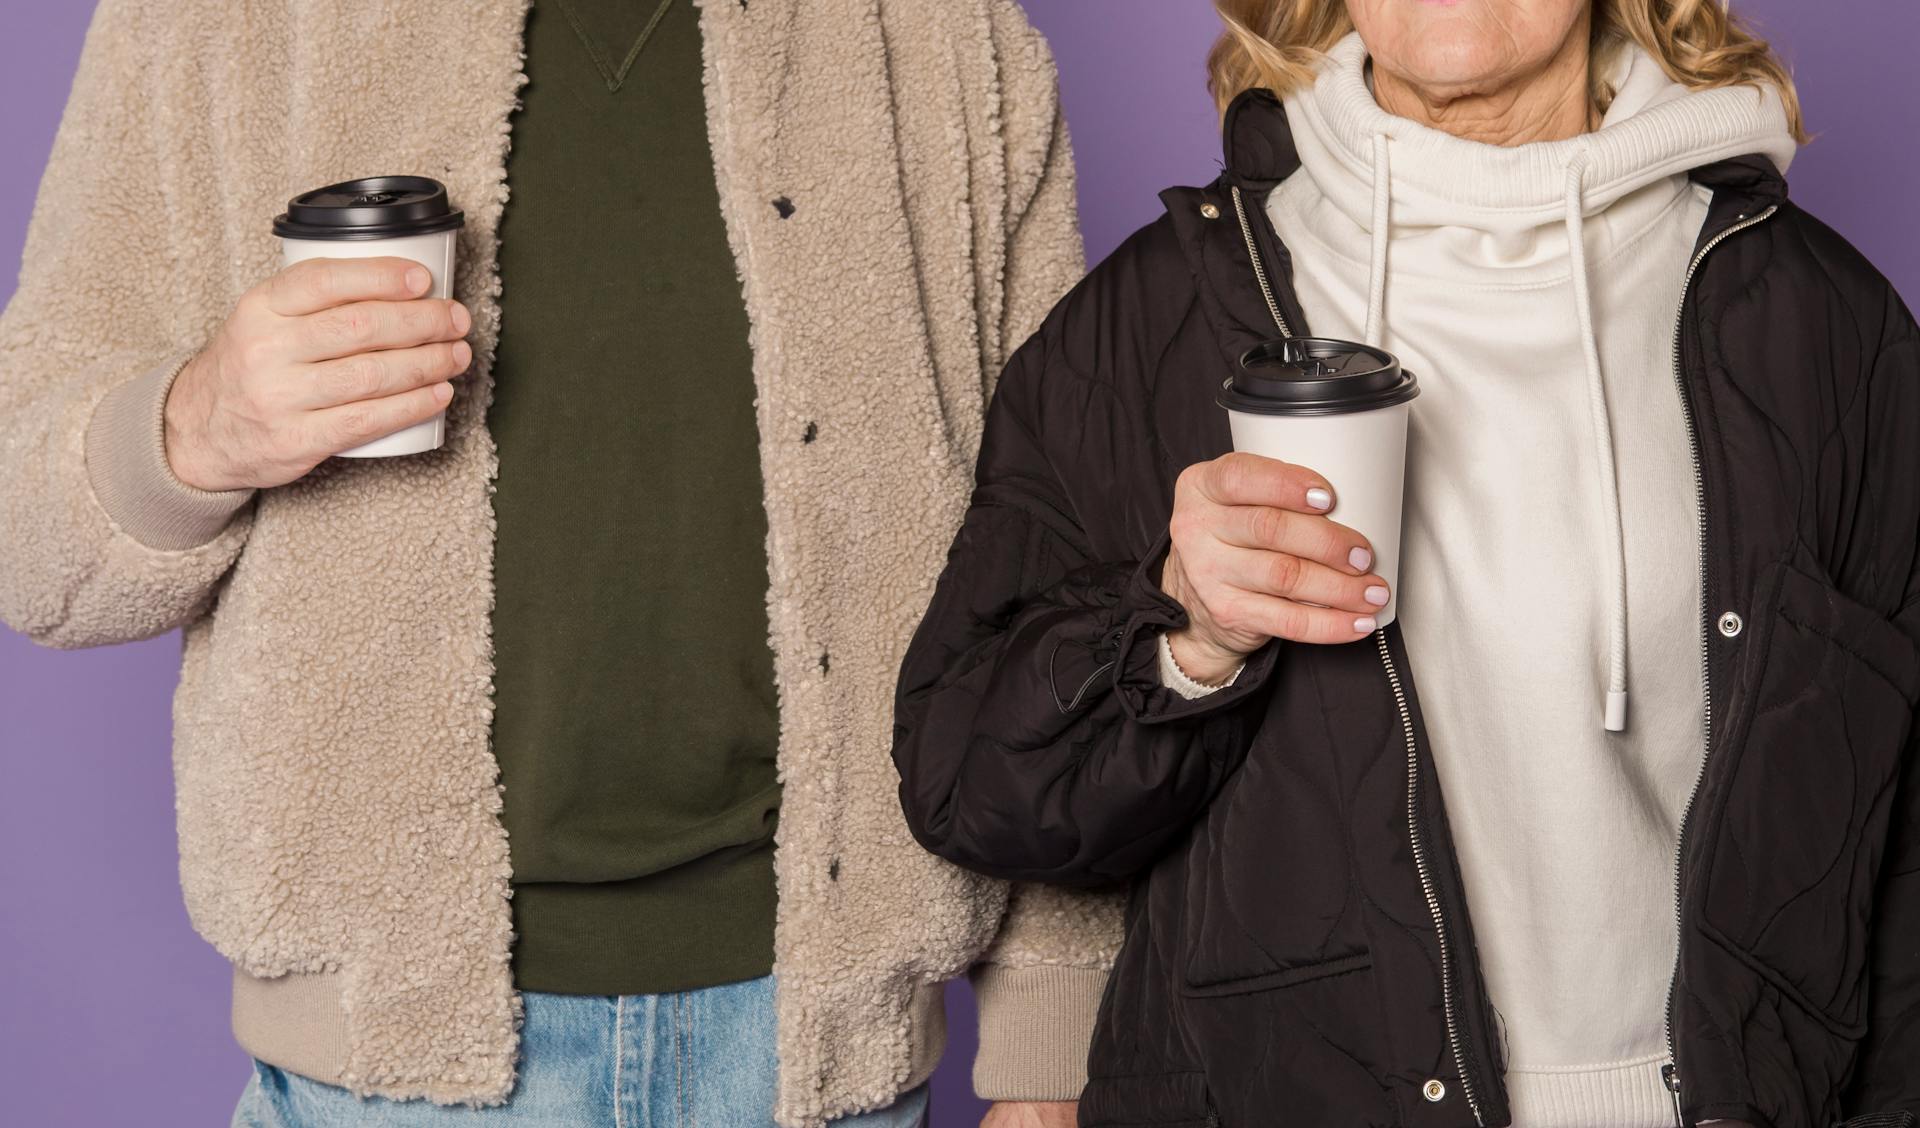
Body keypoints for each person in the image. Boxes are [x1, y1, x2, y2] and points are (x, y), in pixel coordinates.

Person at [0, 1, 1119, 1125]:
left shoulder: (935, 29)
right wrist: (198, 425)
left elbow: (1051, 549)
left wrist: (1049, 1041)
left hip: (824, 1054)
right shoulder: (214, 24)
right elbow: (30, 542)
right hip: (389, 1071)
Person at [893, 0, 1919, 1125]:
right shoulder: (1156, 316)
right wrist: (1182, 632)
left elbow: (1896, 847)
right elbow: (975, 795)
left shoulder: (1825, 326)